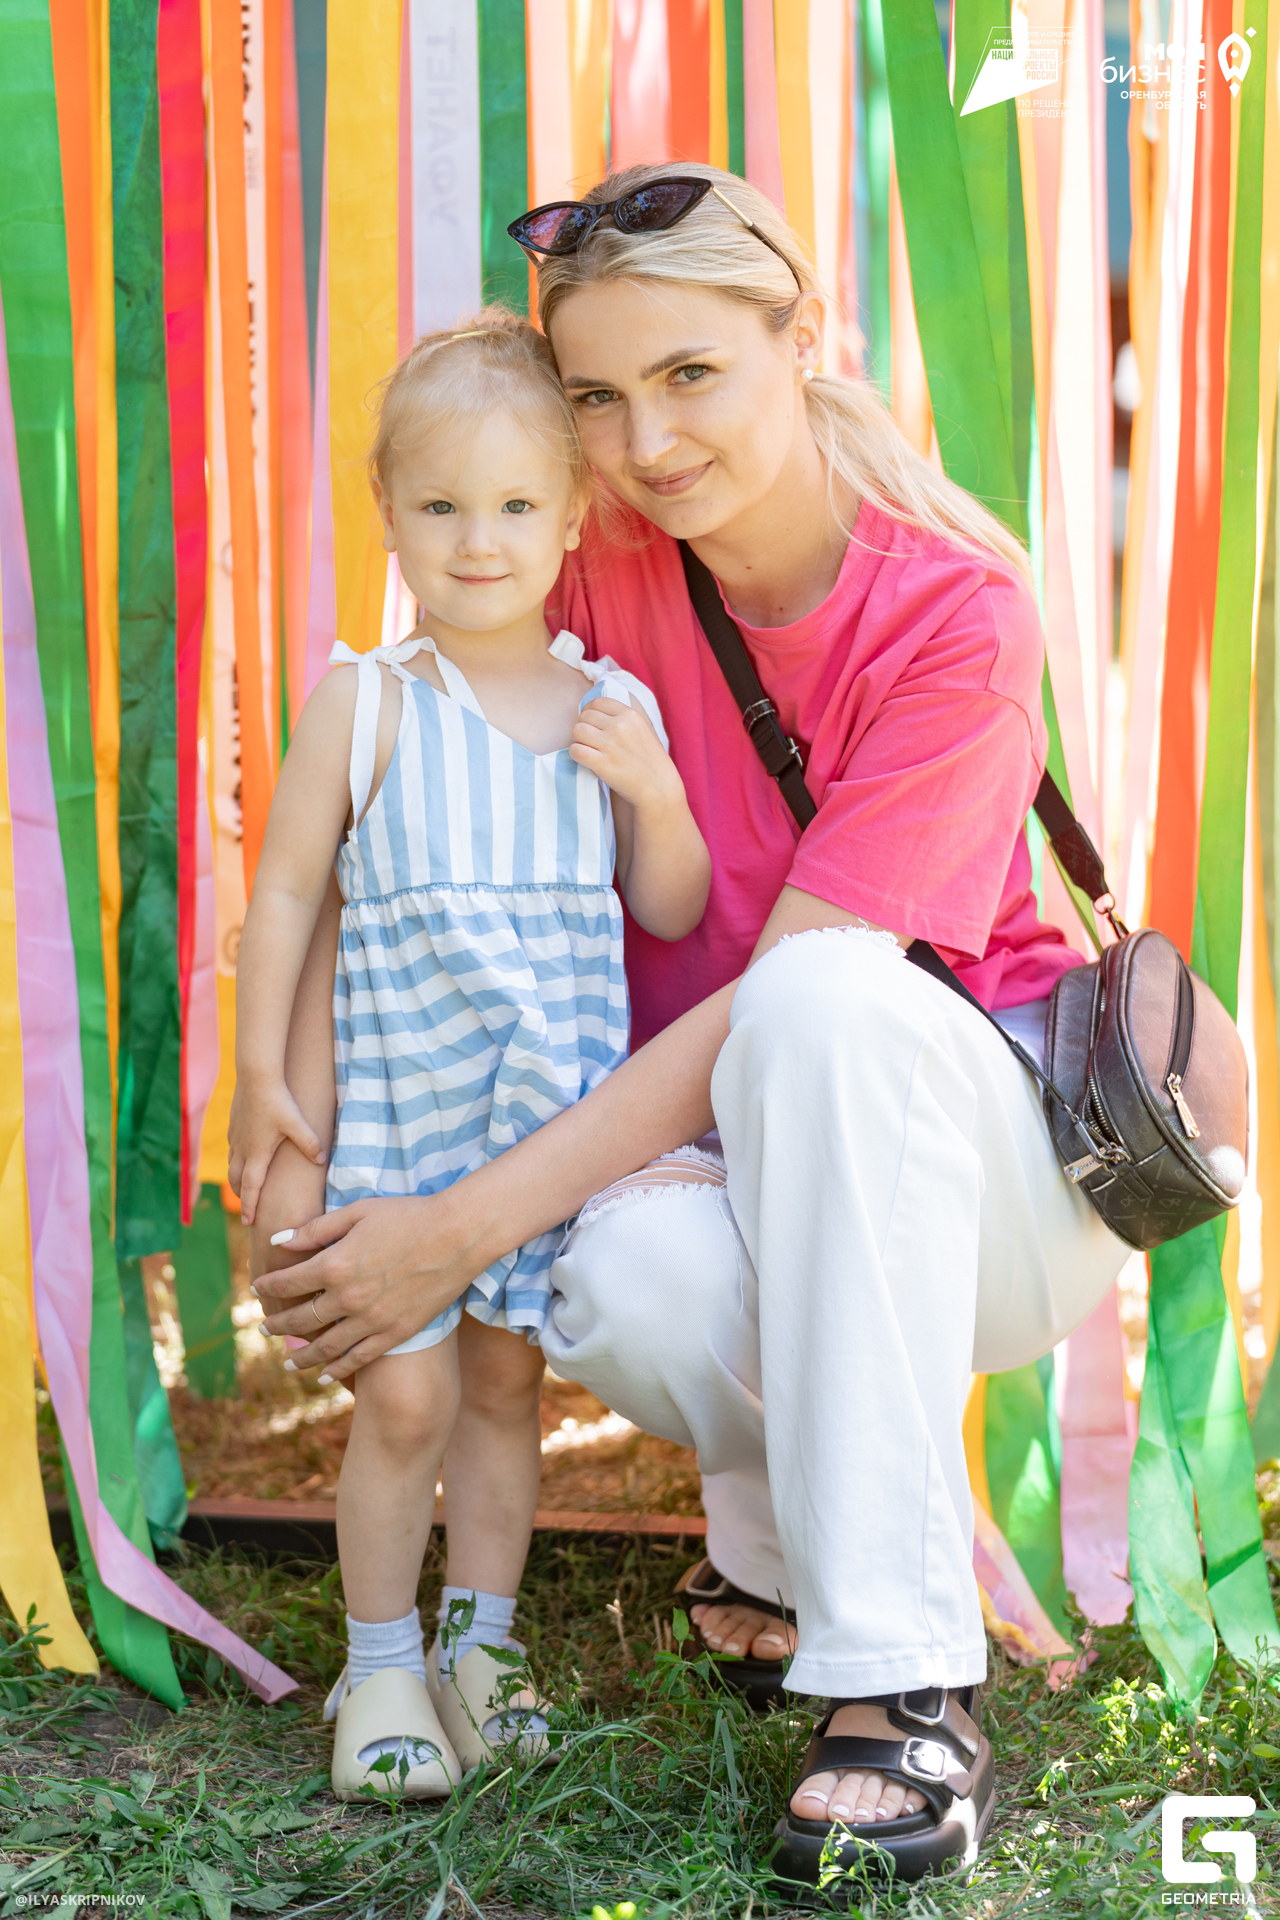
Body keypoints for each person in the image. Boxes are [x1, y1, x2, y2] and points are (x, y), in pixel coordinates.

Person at [250, 166, 1128, 1881]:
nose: (644, 442)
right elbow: (393, 819)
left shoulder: (957, 610)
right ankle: (780, 1542)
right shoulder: (585, 564)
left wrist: (453, 1232)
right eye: (596, 395)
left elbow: (778, 1007)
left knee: (815, 997)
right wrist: (300, 1112)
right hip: (732, 1156)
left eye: (692, 374)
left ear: (803, 337)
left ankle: (902, 1680)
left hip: (984, 1188)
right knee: (618, 1276)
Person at [229, 312, 710, 1802]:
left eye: (514, 505)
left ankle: (479, 1648)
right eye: (441, 505)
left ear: (571, 518)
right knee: (405, 1403)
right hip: (399, 1123)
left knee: (506, 1397)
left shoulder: (608, 713)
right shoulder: (366, 701)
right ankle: (379, 1664)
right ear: (389, 511)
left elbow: (670, 907)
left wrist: (660, 799)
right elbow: (288, 897)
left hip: (539, 1138)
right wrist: (264, 1083)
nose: (478, 541)